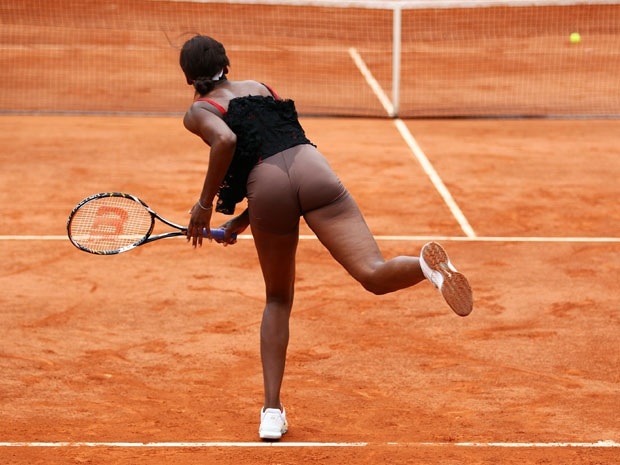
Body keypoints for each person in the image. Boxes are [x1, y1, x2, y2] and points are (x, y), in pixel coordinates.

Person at [180, 35, 473, 441]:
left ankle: (271, 412)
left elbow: (228, 141)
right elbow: (279, 144)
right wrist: (244, 220)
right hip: (313, 169)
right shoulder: (261, 88)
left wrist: (204, 205)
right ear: (226, 64)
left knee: (278, 299)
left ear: (189, 77)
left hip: (268, 189)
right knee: (373, 273)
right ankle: (427, 268)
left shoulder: (199, 110)